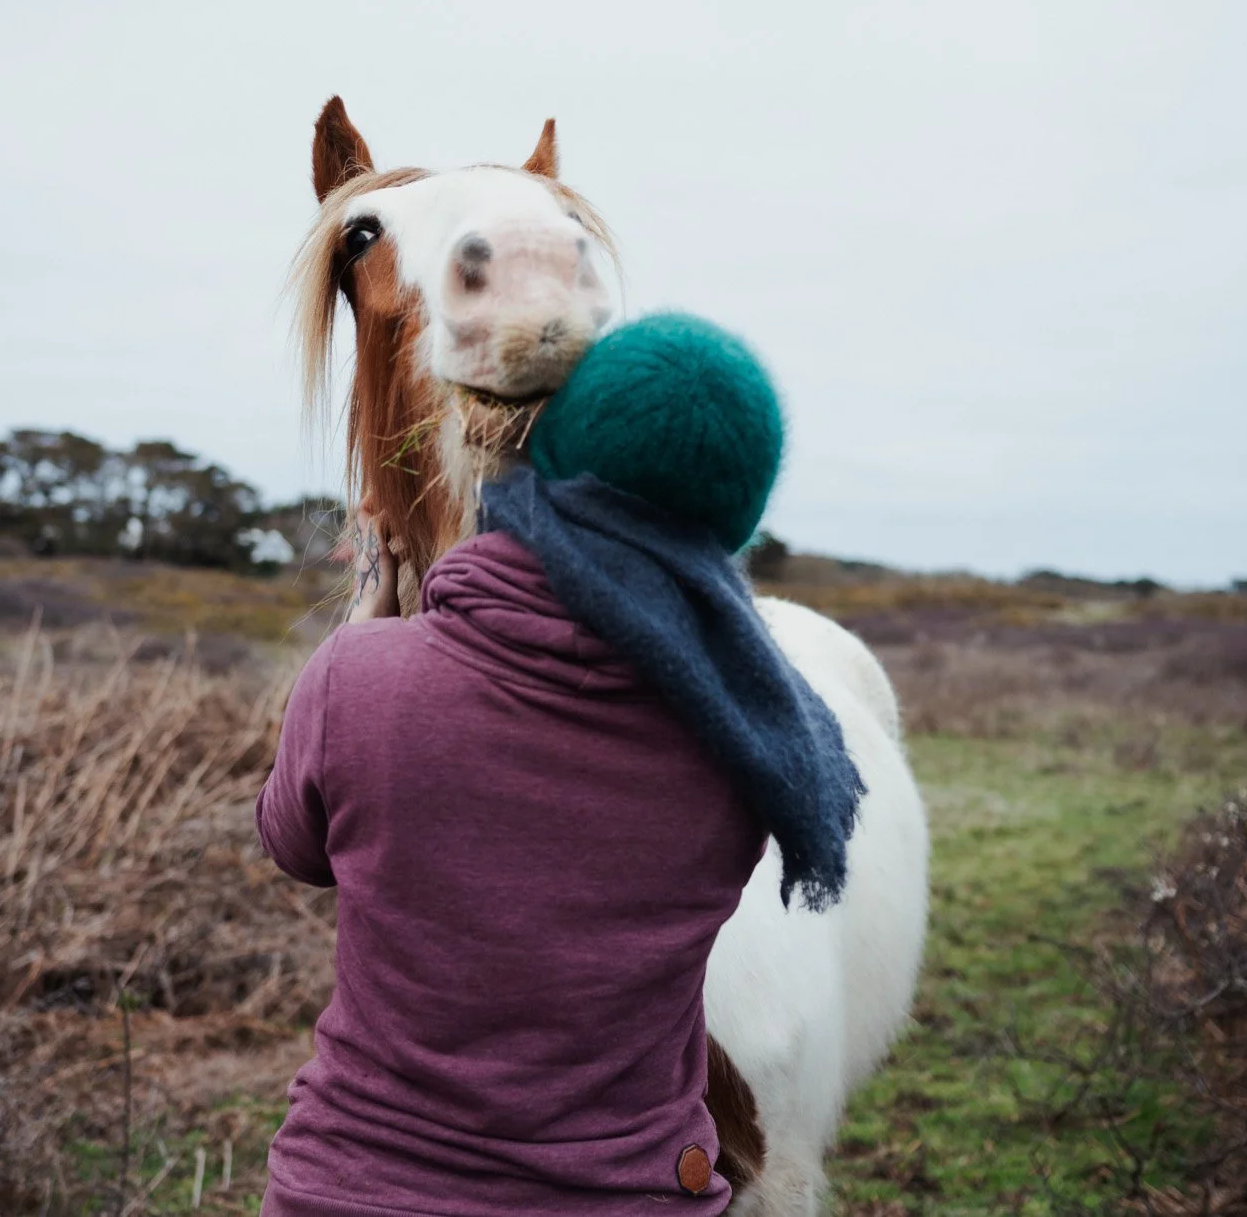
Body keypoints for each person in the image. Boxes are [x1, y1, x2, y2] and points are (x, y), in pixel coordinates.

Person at [255, 313, 862, 1216]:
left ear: (545, 457)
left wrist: (364, 630)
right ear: (731, 518)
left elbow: (292, 843)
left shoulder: (358, 679)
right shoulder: (752, 739)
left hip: (352, 1189)